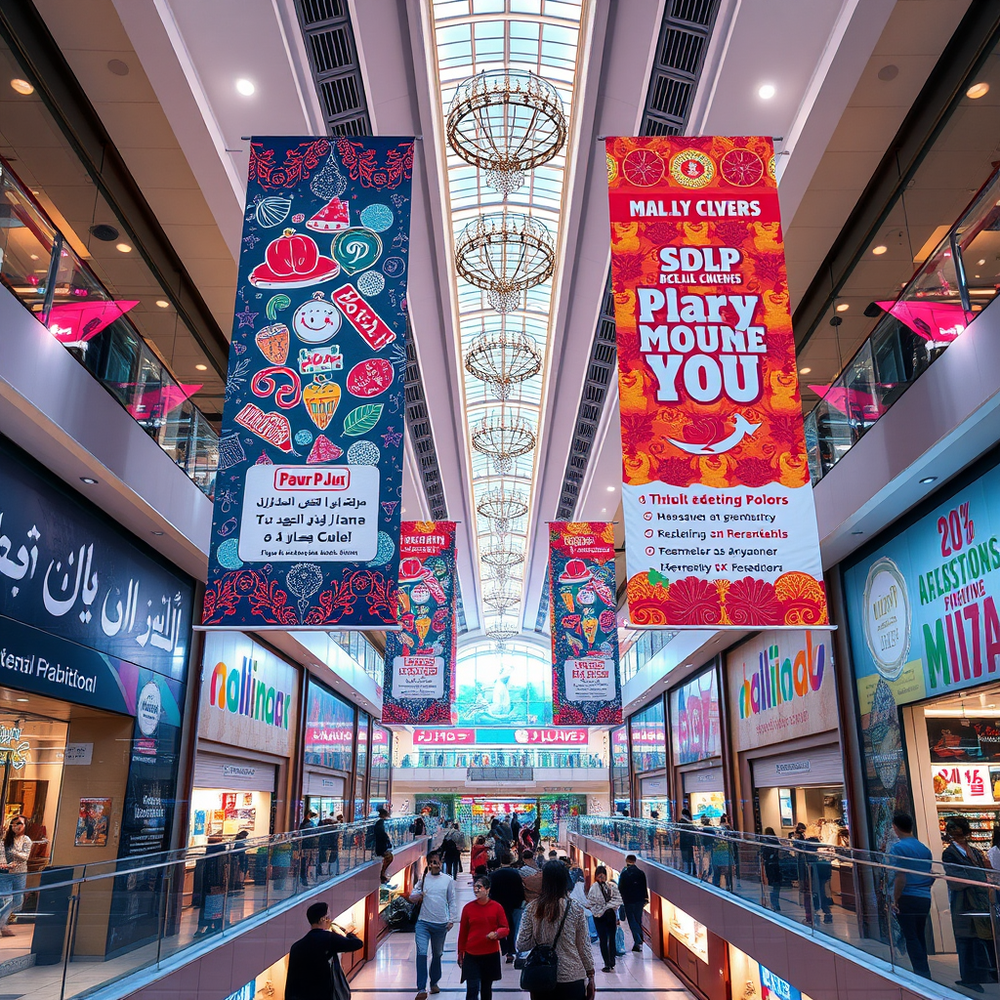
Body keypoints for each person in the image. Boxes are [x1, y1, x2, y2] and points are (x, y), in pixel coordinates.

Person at [518, 861, 595, 1000]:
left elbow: (522, 945)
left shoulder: (531, 909)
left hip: (541, 977)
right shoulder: (576, 909)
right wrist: (590, 974)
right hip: (572, 977)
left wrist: (540, 938)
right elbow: (583, 946)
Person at [942, 815, 998, 990]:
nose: (952, 830)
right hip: (963, 901)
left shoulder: (974, 851)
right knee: (966, 938)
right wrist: (979, 879)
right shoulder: (949, 853)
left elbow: (983, 872)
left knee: (981, 937)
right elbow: (956, 878)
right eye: (950, 827)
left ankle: (984, 974)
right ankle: (969, 977)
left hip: (980, 899)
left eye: (955, 826)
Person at [285, 901, 363, 1000]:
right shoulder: (330, 939)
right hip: (326, 994)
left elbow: (291, 980)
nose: (330, 920)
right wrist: (345, 932)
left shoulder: (296, 947)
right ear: (322, 919)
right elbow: (357, 943)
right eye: (328, 916)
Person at [888, 813, 933, 981]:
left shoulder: (898, 848)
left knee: (911, 936)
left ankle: (921, 973)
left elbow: (900, 877)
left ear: (895, 828)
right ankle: (924, 970)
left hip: (907, 896)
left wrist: (895, 899)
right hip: (924, 897)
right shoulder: (924, 849)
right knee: (920, 934)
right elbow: (930, 874)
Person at [409, 853, 456, 1000]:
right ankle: (421, 988)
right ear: (429, 864)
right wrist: (417, 896)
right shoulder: (423, 880)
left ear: (441, 862)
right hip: (423, 923)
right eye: (432, 862)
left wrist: (452, 919)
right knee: (422, 953)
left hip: (440, 924)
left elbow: (452, 900)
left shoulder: (447, 880)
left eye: (437, 861)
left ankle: (434, 982)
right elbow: (412, 896)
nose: (435, 864)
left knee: (437, 954)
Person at [458, 875, 508, 1000]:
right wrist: (460, 952)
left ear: (487, 889)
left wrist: (497, 933)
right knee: (472, 988)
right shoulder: (468, 908)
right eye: (474, 887)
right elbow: (463, 932)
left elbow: (505, 928)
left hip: (489, 954)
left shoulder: (497, 907)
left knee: (486, 989)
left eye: (479, 887)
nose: (476, 890)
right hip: (472, 954)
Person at [488, 852, 525, 963]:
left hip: (499, 904)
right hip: (514, 904)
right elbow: (520, 889)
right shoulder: (516, 873)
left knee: (500, 925)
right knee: (512, 927)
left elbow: (491, 891)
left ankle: (504, 946)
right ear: (510, 861)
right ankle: (511, 950)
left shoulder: (494, 875)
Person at [587, 865, 623, 973]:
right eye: (600, 876)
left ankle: (611, 961)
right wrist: (603, 908)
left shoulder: (611, 886)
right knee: (603, 939)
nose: (601, 878)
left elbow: (618, 900)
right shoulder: (594, 888)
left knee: (610, 938)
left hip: (609, 915)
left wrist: (605, 907)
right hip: (600, 917)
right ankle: (607, 962)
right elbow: (590, 903)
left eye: (603, 876)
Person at [0, 816, 30, 936]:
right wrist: (6, 865)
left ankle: (3, 923)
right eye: (14, 824)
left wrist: (12, 851)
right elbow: (1, 856)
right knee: (6, 900)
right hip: (5, 874)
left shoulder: (26, 840)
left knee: (18, 901)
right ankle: (3, 925)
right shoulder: (4, 839)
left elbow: (25, 857)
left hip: (20, 874)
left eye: (20, 824)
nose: (17, 826)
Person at [618, 854, 648, 952]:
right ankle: (638, 940)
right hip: (639, 901)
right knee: (638, 920)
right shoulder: (641, 873)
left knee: (632, 921)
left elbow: (620, 888)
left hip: (628, 901)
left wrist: (621, 899)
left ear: (627, 861)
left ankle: (638, 939)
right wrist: (645, 898)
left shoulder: (624, 874)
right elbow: (644, 887)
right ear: (635, 861)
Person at [761, 827, 783, 912]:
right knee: (776, 885)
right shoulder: (775, 840)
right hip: (776, 864)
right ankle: (775, 903)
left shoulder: (765, 842)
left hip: (769, 865)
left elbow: (763, 854)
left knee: (771, 884)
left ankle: (773, 903)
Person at [374, 807, 394, 884]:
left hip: (379, 847)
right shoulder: (380, 823)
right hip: (380, 848)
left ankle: (383, 873)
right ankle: (382, 873)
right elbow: (382, 834)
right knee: (389, 857)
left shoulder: (379, 822)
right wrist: (387, 841)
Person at [677, 808, 696, 875]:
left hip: (684, 842)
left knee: (685, 857)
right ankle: (692, 871)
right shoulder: (689, 823)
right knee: (690, 856)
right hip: (689, 842)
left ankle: (687, 870)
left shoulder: (682, 822)